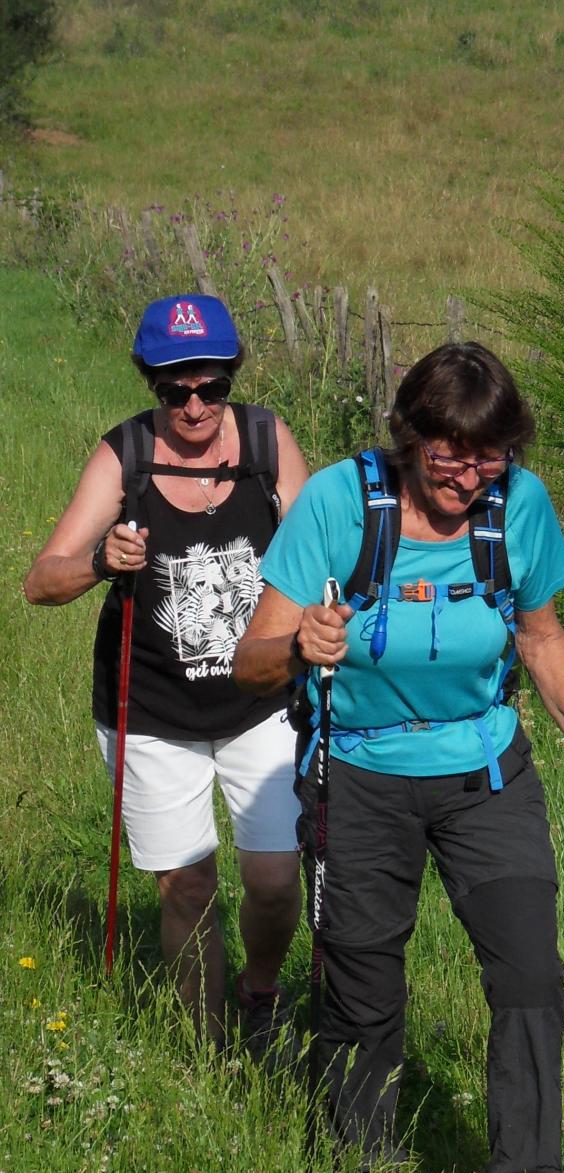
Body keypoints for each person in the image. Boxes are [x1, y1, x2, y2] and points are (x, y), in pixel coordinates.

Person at [233, 339, 564, 1173]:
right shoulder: (339, 501)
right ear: (410, 437)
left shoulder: (516, 508)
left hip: (486, 774)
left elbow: (541, 635)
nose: (467, 472)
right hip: (360, 775)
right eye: (448, 450)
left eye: (488, 452)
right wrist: (301, 649)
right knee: (363, 986)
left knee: (530, 980)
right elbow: (250, 661)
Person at [24, 293, 310, 1050]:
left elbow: (320, 554)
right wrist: (97, 562)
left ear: (231, 378)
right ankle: (209, 1052)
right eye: (173, 388)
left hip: (263, 702)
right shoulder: (125, 455)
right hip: (151, 711)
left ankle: (260, 990)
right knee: (187, 885)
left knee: (277, 879)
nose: (194, 405)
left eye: (210, 386)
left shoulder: (264, 439)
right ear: (149, 381)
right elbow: (39, 580)